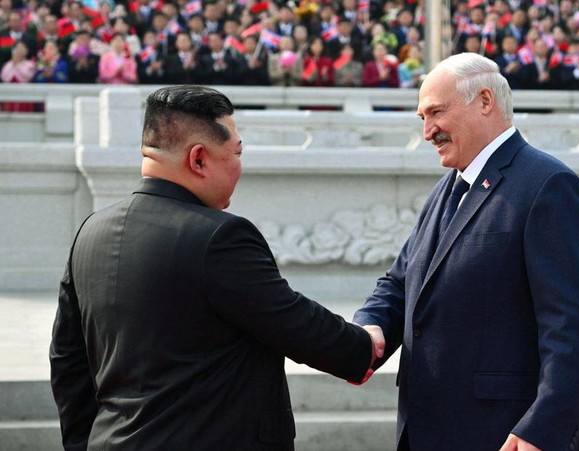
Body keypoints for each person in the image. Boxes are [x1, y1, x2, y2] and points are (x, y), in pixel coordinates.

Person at [50, 85, 383, 450]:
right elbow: (295, 322)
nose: (240, 165)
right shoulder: (219, 237)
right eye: (236, 152)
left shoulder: (90, 232)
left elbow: (67, 362)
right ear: (199, 159)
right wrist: (361, 345)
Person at [353, 53, 579, 450]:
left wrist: (543, 427)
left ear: (485, 101)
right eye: (422, 118)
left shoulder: (549, 185)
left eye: (435, 112)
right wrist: (369, 327)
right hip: (432, 427)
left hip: (505, 432)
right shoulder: (448, 188)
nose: (427, 131)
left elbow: (572, 328)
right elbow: (404, 281)